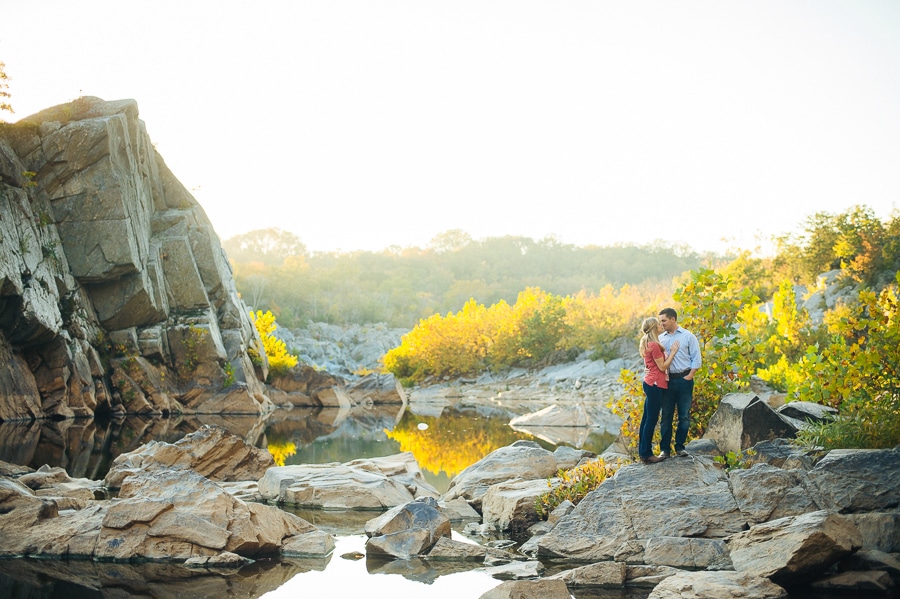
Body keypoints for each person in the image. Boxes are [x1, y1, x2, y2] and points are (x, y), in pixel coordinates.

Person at [657, 307, 702, 458]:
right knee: (666, 417)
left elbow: (696, 357)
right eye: (660, 321)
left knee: (684, 416)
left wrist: (689, 376)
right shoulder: (661, 338)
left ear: (673, 319)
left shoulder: (688, 336)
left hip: (684, 380)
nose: (661, 323)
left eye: (663, 320)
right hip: (667, 382)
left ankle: (680, 447)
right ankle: (665, 450)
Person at [637, 316, 679, 465]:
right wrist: (673, 352)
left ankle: (643, 452)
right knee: (651, 419)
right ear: (654, 327)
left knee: (646, 419)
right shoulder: (654, 345)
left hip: (650, 382)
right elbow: (662, 367)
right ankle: (646, 454)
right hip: (655, 384)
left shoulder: (647, 342)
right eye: (659, 324)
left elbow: (651, 365)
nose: (661, 325)